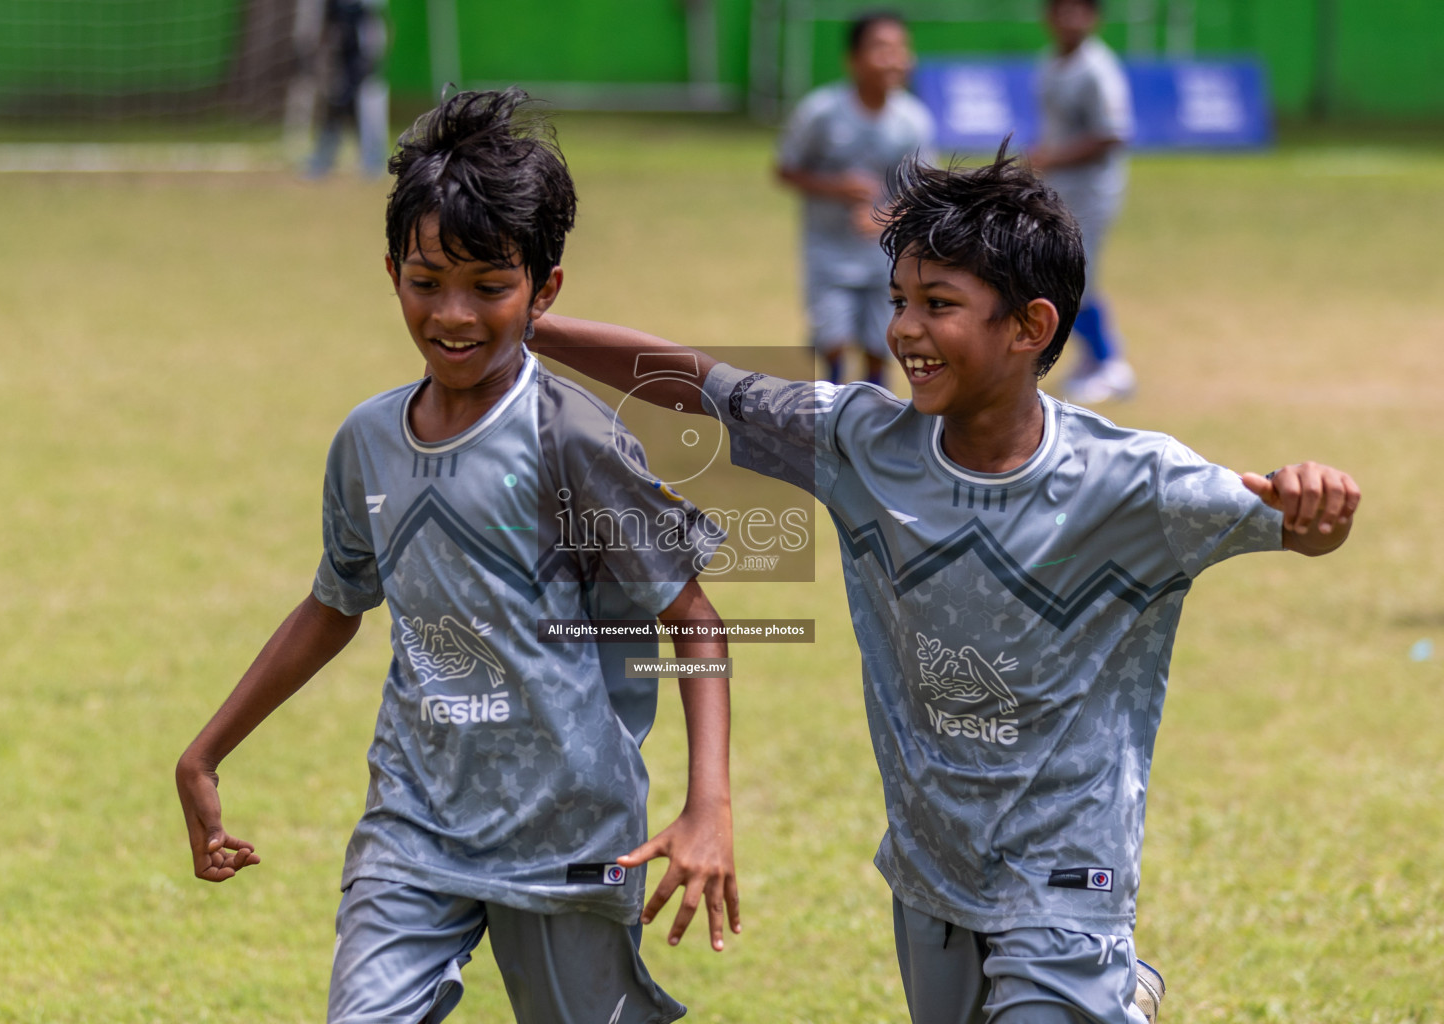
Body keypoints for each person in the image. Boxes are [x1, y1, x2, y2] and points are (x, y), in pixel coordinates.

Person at [530, 146, 1360, 1023]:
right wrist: (528, 330)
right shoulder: (857, 442)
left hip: (1067, 880)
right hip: (931, 872)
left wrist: (1318, 504)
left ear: (1029, 327)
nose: (904, 332)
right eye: (898, 301)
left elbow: (1298, 524)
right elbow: (696, 383)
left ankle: (1106, 991)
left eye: (938, 305)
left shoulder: (1136, 485)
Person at [175, 89, 740, 1024]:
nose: (453, 314)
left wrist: (708, 803)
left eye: (490, 285)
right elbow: (335, 601)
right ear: (391, 270)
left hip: (568, 829)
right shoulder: (366, 440)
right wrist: (206, 751)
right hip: (415, 821)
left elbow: (694, 619)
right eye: (426, 280)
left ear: (544, 290)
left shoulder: (576, 441)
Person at [776, 9, 935, 386]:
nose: (894, 58)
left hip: (886, 256)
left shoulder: (913, 120)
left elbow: (923, 190)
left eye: (901, 48)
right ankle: (831, 414)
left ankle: (875, 417)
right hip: (827, 251)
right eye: (881, 48)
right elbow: (785, 169)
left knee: (883, 341)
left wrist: (885, 217)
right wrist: (835, 186)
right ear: (853, 59)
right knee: (832, 341)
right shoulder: (822, 113)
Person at [1030, 0, 1137, 405]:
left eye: (1080, 10)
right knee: (1060, 273)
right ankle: (1093, 360)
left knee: (1078, 277)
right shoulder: (1051, 62)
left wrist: (1053, 157)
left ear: (1094, 17)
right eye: (1062, 9)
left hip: (1092, 192)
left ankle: (1112, 365)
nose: (1070, 19)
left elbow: (1113, 134)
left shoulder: (1097, 69)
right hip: (1062, 189)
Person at [301, 0, 390, 178]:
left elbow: (375, 22)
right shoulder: (332, 9)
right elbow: (325, 23)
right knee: (335, 104)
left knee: (368, 103)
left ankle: (373, 163)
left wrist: (369, 59)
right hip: (340, 55)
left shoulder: (368, 12)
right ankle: (322, 160)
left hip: (364, 56)